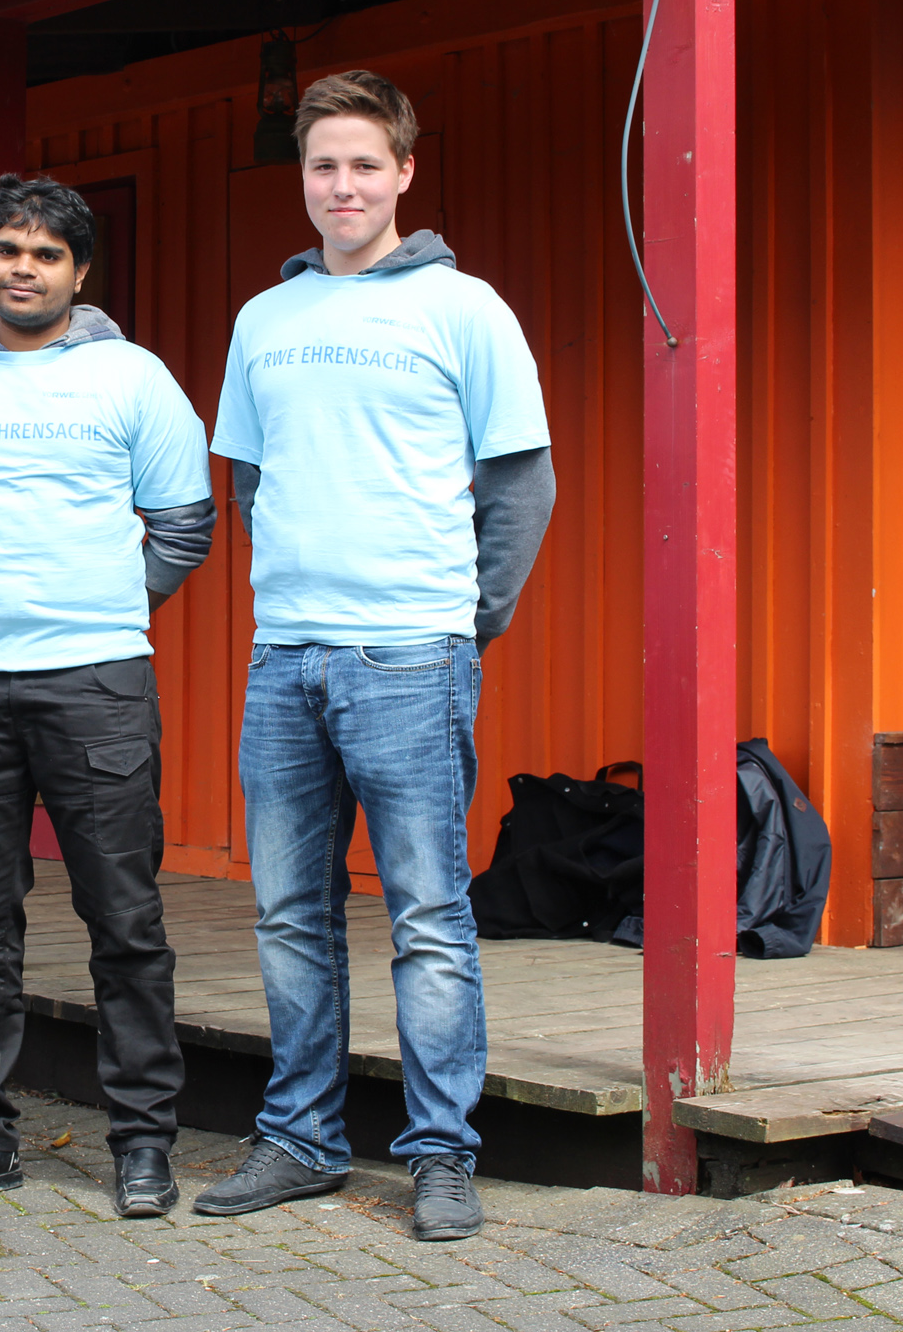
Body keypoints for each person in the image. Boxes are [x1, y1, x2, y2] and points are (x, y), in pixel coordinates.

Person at [199, 71, 555, 1241]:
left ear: (405, 171)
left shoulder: (465, 308)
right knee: (288, 915)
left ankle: (441, 1157)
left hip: (411, 655)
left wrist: (465, 616)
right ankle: (300, 1140)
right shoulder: (264, 320)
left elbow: (522, 484)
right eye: (323, 166)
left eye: (364, 164)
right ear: (302, 180)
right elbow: (250, 479)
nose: (342, 185)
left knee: (428, 919)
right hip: (284, 660)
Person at [0, 174, 216, 1218]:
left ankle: (143, 1144)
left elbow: (184, 522)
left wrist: (107, 602)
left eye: (47, 253)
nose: (25, 268)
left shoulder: (133, 378)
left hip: (98, 683)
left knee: (125, 919)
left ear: (80, 271)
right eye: (8, 249)